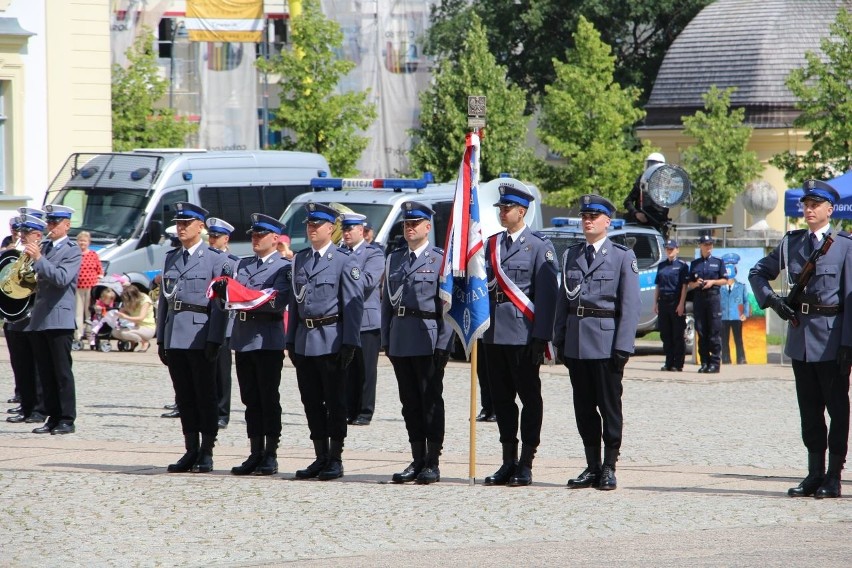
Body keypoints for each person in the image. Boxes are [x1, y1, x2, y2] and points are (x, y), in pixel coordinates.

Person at [749, 179, 851, 499]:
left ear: (829, 210)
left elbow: (850, 298)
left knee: (837, 409)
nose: (809, 210)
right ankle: (813, 473)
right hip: (800, 338)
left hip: (833, 340)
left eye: (815, 205)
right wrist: (771, 301)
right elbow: (757, 273)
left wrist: (848, 344)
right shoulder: (791, 243)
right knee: (809, 410)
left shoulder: (846, 246)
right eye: (806, 204)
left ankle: (834, 475)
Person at [553, 194, 640, 491]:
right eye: (585, 216)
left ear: (608, 222)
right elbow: (563, 300)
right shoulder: (571, 255)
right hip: (577, 343)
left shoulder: (621, 257)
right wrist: (560, 337)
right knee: (584, 408)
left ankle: (609, 466)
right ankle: (591, 466)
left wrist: (623, 347)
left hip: (606, 344)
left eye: (594, 216)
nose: (588, 220)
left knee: (609, 407)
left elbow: (630, 307)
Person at [482, 181, 558, 487]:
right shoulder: (490, 245)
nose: (502, 212)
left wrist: (541, 336)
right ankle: (507, 461)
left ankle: (526, 461)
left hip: (524, 334)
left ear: (522, 211)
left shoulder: (540, 247)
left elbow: (548, 295)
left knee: (529, 398)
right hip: (494, 334)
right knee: (501, 400)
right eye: (500, 208)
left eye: (507, 208)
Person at [287, 202, 363, 481]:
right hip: (305, 339)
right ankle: (319, 455)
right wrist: (290, 340)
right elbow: (296, 303)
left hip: (331, 339)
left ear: (331, 229)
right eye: (309, 224)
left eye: (317, 225)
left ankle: (335, 457)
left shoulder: (344, 260)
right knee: (310, 401)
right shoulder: (301, 259)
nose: (312, 229)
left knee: (334, 401)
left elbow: (353, 306)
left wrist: (349, 343)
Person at [382, 201, 454, 485]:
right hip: (401, 337)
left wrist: (443, 345)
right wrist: (387, 339)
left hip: (429, 337)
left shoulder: (439, 260)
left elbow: (447, 308)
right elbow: (387, 303)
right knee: (409, 403)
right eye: (406, 224)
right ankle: (417, 458)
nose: (410, 228)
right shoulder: (394, 259)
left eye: (416, 223)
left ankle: (432, 461)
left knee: (430, 402)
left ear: (427, 227)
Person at [156, 202, 231, 473]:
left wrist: (215, 338)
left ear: (201, 227)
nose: (181, 227)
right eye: (179, 223)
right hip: (175, 334)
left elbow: (220, 304)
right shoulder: (171, 258)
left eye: (187, 223)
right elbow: (164, 302)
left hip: (201, 335)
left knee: (206, 395)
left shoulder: (215, 259)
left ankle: (207, 450)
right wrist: (161, 338)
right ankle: (190, 448)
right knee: (184, 396)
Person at [222, 213, 291, 476]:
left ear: (274, 239)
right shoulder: (243, 264)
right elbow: (229, 297)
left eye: (260, 235)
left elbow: (278, 302)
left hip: (267, 340)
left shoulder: (282, 267)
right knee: (250, 399)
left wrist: (247, 299)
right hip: (243, 337)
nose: (255, 239)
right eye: (253, 234)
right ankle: (255, 451)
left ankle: (270, 453)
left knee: (268, 398)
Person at [26, 204, 82, 435]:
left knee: (61, 372)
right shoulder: (45, 246)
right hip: (40, 318)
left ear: (66, 225)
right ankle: (52, 416)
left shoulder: (72, 250)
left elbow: (61, 278)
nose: (50, 227)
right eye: (49, 222)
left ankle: (67, 418)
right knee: (45, 372)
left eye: (55, 223)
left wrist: (38, 258)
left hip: (60, 318)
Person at [339, 212, 385, 427]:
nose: (346, 233)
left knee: (366, 369)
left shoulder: (373, 254)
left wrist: (346, 267)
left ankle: (365, 411)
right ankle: (349, 408)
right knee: (347, 369)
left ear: (361, 231)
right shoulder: (339, 253)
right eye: (344, 229)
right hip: (344, 319)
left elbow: (366, 281)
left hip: (366, 320)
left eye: (351, 229)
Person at [5, 215, 47, 426]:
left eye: (26, 233)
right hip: (15, 315)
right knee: (20, 364)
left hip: (33, 314)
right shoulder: (17, 253)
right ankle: (26, 405)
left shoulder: (43, 252)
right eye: (20, 232)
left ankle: (40, 408)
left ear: (37, 235)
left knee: (36, 366)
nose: (20, 236)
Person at [206, 217, 239, 429]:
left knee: (221, 369)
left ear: (225, 239)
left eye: (216, 237)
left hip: (224, 321)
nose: (211, 240)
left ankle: (222, 411)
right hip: (204, 321)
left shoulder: (231, 262)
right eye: (210, 236)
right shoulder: (205, 259)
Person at [687, 235, 727, 373]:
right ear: (701, 246)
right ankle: (704, 362)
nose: (708, 247)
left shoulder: (718, 262)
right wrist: (695, 283)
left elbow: (725, 280)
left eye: (710, 245)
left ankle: (715, 364)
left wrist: (712, 282)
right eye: (706, 245)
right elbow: (689, 283)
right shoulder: (695, 264)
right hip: (699, 298)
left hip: (713, 299)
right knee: (701, 331)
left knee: (714, 332)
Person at [654, 239, 689, 372]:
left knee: (677, 334)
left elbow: (684, 287)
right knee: (665, 334)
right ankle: (668, 362)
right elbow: (658, 285)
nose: (669, 251)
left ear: (677, 250)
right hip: (663, 302)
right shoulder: (661, 265)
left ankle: (678, 363)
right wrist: (655, 303)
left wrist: (681, 304)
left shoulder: (682, 266)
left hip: (676, 302)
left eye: (672, 249)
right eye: (667, 249)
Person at [623, 152, 670, 235]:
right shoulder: (642, 180)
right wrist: (636, 213)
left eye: (654, 165)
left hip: (660, 225)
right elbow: (628, 201)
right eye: (650, 164)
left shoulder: (666, 182)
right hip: (642, 225)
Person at [720, 254, 749, 365]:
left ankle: (741, 358)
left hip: (737, 316)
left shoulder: (741, 286)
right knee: (724, 340)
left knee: (738, 339)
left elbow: (745, 301)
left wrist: (744, 313)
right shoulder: (720, 287)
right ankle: (726, 358)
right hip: (724, 316)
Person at [75, 231, 103, 346]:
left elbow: (99, 269)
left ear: (88, 242)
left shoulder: (93, 254)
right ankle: (78, 335)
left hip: (91, 287)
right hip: (77, 287)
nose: (82, 243)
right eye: (80, 240)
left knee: (89, 312)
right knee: (78, 313)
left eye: (85, 241)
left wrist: (100, 278)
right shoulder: (75, 254)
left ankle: (89, 334)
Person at [113, 284, 156, 352]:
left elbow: (141, 318)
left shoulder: (145, 301)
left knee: (125, 333)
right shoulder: (130, 301)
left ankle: (145, 343)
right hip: (133, 326)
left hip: (147, 327)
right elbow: (124, 309)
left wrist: (125, 317)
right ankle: (133, 342)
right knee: (115, 332)